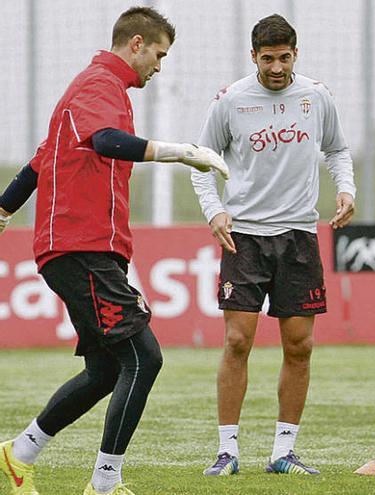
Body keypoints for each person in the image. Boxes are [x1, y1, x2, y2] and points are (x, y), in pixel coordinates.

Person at [0, 7, 229, 495]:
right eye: (160, 55)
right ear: (137, 43)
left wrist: (2, 211)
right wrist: (181, 151)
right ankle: (105, 484)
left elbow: (40, 163)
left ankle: (19, 455)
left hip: (83, 248)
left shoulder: (94, 89)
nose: (160, 67)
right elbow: (106, 141)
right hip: (81, 246)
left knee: (107, 368)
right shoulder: (100, 83)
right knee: (144, 358)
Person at [191, 14, 355, 477]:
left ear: (295, 54)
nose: (278, 67)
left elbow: (337, 150)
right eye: (268, 59)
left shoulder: (317, 97)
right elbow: (202, 162)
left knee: (299, 347)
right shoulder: (231, 101)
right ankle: (227, 452)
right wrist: (214, 211)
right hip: (243, 235)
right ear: (254, 57)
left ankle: (283, 452)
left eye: (285, 58)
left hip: (299, 235)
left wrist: (347, 190)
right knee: (238, 340)